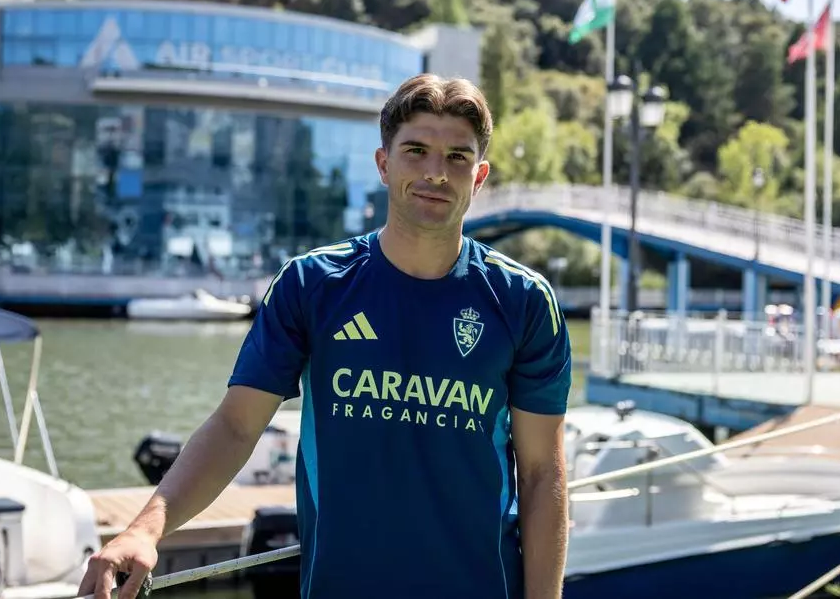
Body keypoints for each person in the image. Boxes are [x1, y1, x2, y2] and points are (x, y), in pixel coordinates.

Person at [77, 73, 572, 599]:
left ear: (479, 176)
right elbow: (236, 427)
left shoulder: (522, 300)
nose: (436, 172)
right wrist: (145, 528)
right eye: (416, 151)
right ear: (384, 164)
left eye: (457, 157)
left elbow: (542, 474)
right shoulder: (313, 285)